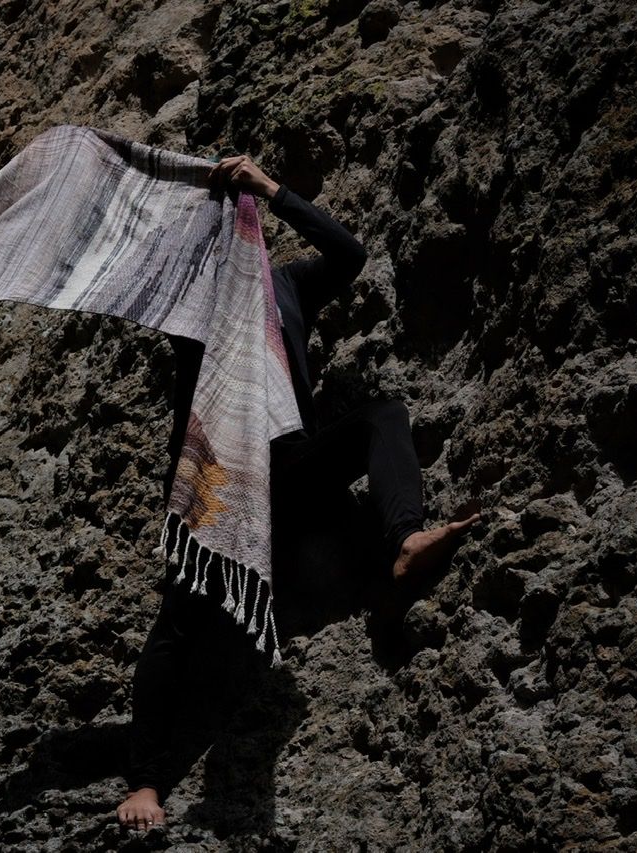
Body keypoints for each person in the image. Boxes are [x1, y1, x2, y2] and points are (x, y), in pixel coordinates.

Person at [115, 155, 481, 831]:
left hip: (293, 473)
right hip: (222, 489)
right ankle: (144, 782)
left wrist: (273, 191)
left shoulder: (288, 285)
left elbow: (350, 253)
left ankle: (406, 539)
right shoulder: (191, 312)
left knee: (383, 414)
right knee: (177, 622)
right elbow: (144, 268)